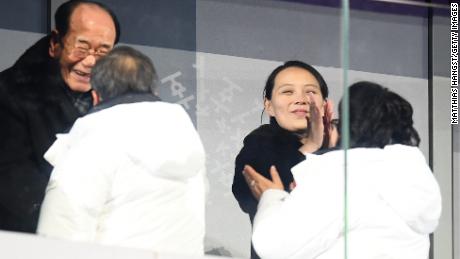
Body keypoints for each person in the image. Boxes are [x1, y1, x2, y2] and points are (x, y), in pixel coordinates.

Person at [36, 46, 207, 255]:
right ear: (153, 90)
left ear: (96, 95)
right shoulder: (186, 144)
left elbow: (61, 232)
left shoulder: (94, 142)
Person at [245, 81, 442, 259]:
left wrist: (272, 197)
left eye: (340, 122)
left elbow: (273, 244)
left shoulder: (346, 182)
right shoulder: (411, 181)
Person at [0, 0, 120, 233]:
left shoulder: (114, 107)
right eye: (82, 47)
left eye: (103, 52)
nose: (90, 62)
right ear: (55, 43)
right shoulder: (8, 94)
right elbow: (15, 193)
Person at [232, 60, 332, 258]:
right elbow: (251, 200)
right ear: (268, 106)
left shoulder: (343, 151)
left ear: (324, 103)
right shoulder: (259, 145)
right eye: (287, 92)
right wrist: (310, 147)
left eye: (310, 92)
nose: (301, 99)